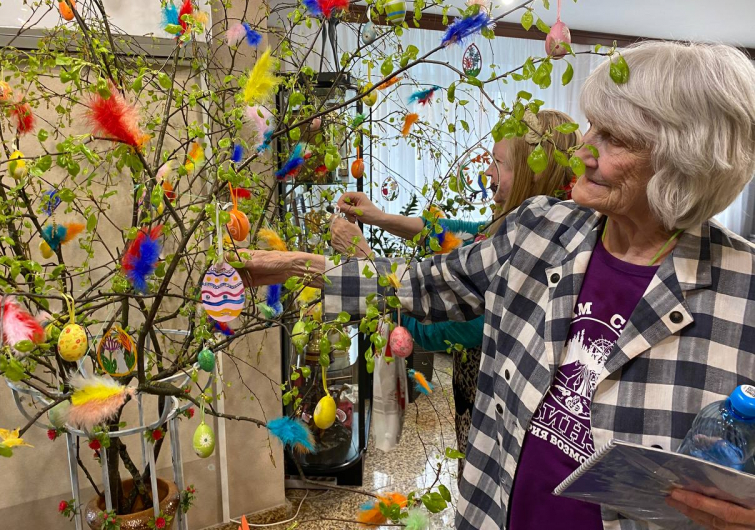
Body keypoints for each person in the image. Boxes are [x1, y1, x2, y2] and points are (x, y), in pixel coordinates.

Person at [235, 41, 755, 530]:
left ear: (686, 160)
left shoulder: (743, 289)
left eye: (613, 138)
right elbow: (427, 283)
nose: (582, 151)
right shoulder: (542, 227)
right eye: (592, 127)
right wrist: (295, 265)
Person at [329, 109, 582, 479]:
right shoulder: (528, 227)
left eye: (499, 163)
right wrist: (380, 217)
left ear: (533, 172)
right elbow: (458, 233)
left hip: (493, 418)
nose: (488, 173)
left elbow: (437, 326)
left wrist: (363, 259)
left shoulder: (532, 261)